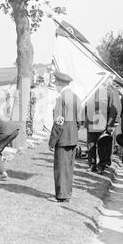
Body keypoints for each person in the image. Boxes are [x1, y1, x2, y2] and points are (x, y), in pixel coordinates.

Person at [48, 71, 81, 203]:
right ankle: (67, 193)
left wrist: (52, 141)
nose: (55, 85)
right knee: (69, 168)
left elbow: (58, 122)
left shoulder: (61, 98)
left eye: (56, 83)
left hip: (62, 139)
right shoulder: (75, 97)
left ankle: (62, 195)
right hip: (73, 138)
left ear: (61, 84)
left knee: (60, 168)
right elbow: (80, 120)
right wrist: (73, 132)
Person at [84, 75, 118, 174]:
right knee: (91, 145)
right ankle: (92, 164)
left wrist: (109, 125)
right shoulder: (91, 91)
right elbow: (86, 106)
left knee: (103, 146)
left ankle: (101, 166)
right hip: (91, 123)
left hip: (102, 124)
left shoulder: (109, 93)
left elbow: (113, 110)